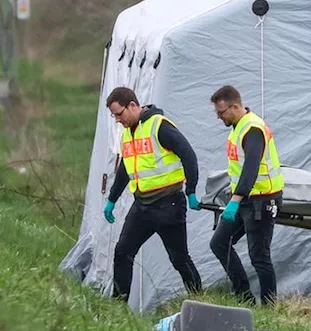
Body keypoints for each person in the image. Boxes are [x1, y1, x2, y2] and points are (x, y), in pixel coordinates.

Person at [104, 86, 203, 302]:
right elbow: (125, 169)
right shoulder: (128, 133)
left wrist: (191, 190)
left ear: (132, 105)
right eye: (114, 116)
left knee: (179, 258)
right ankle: (117, 307)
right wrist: (112, 199)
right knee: (122, 252)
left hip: (169, 204)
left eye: (119, 114)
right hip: (142, 206)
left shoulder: (159, 126)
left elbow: (189, 155)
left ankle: (200, 301)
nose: (118, 120)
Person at [208, 85, 284, 305]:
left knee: (259, 256)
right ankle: (244, 296)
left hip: (262, 199)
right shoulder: (238, 126)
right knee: (219, 244)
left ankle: (270, 306)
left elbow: (251, 168)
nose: (218, 117)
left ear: (234, 106)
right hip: (245, 200)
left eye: (221, 112)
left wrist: (235, 200)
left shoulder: (253, 129)